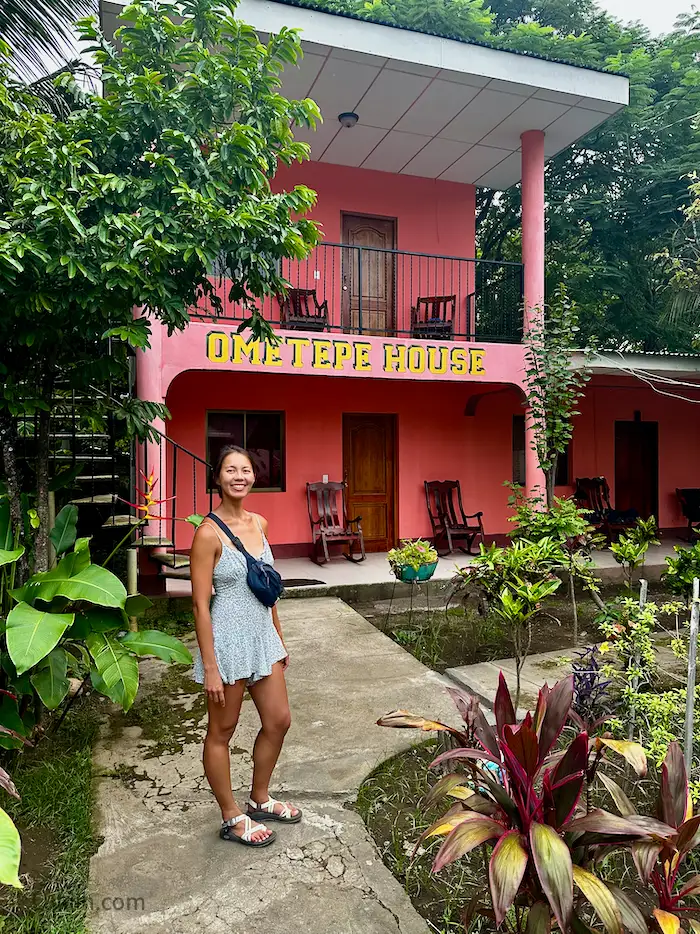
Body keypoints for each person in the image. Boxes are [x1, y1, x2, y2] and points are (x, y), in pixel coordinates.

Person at [190, 444, 301, 847]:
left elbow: (267, 587)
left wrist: (278, 637)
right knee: (222, 731)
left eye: (246, 470)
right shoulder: (207, 534)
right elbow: (201, 606)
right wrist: (212, 667)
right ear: (217, 478)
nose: (239, 476)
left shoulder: (260, 523)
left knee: (278, 720)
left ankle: (259, 798)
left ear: (254, 476)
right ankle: (231, 815)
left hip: (262, 639)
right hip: (228, 644)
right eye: (230, 470)